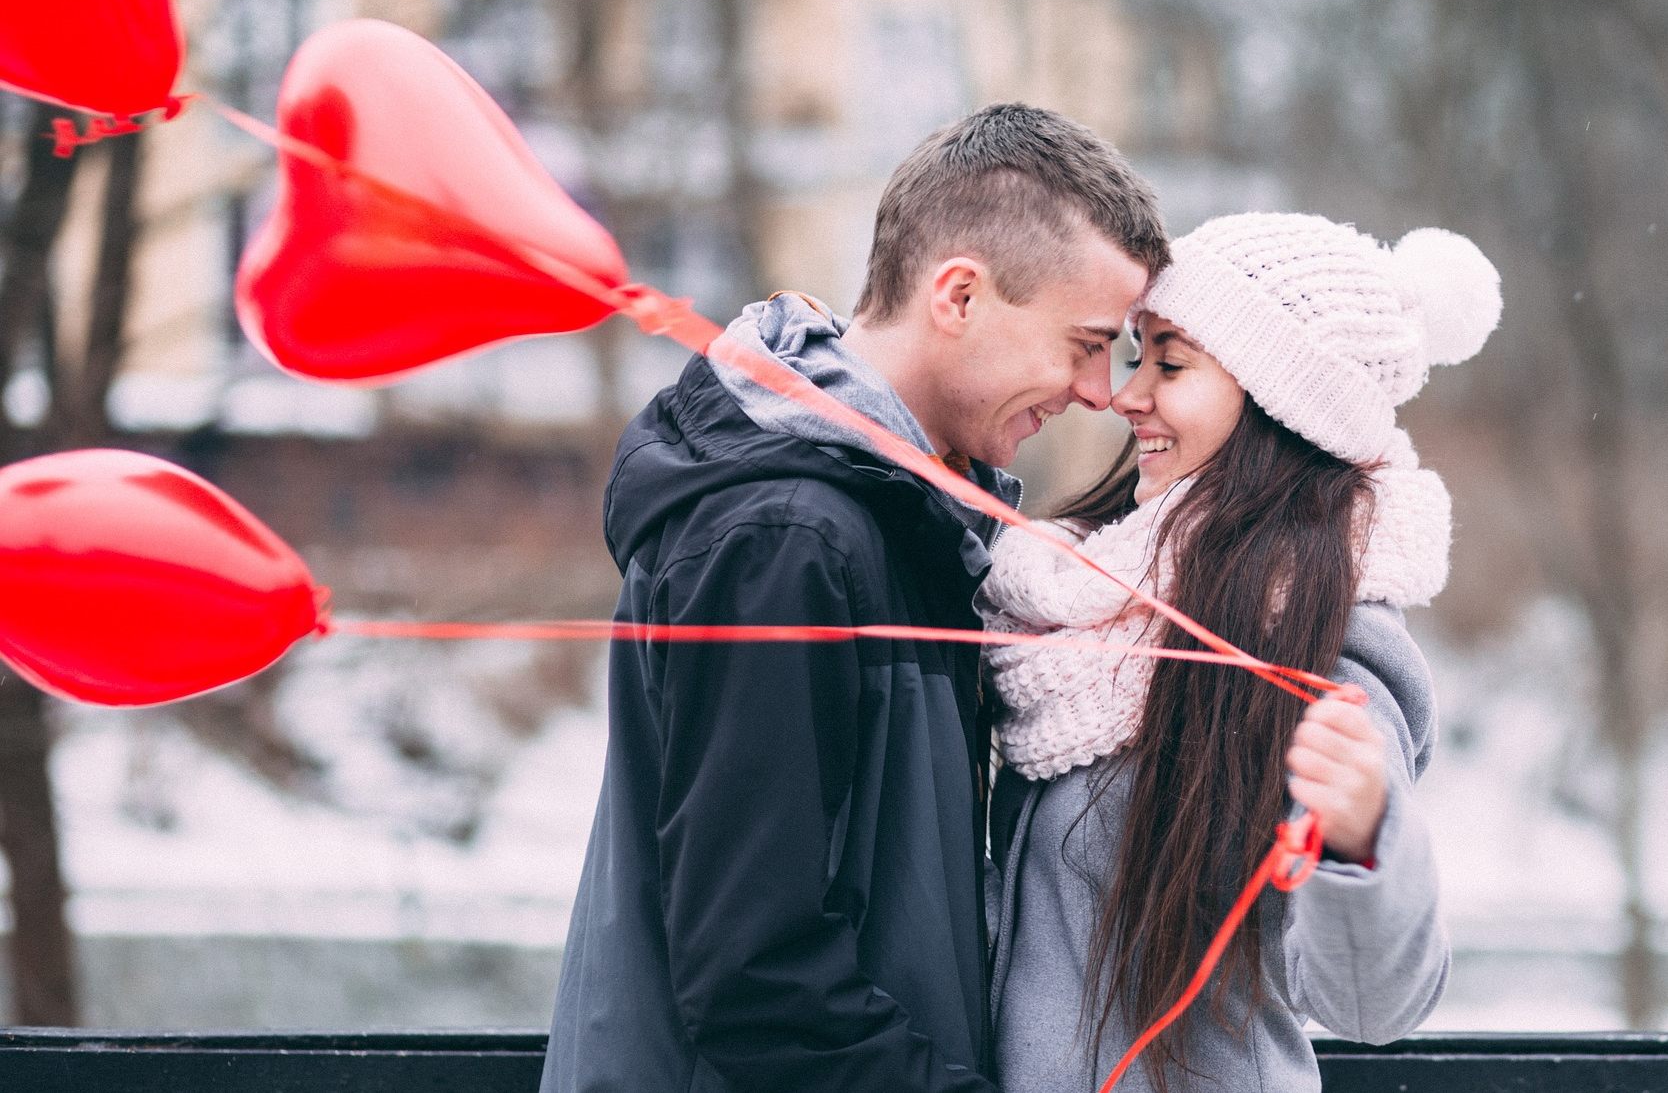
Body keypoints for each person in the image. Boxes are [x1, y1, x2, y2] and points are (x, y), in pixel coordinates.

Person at [541, 103, 1170, 1093]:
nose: (1101, 391)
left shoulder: (898, 520)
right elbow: (755, 977)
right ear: (958, 296)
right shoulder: (786, 540)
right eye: (1086, 343)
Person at [978, 212, 1502, 1092]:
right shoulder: (1071, 607)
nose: (1128, 393)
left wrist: (1361, 840)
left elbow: (1375, 1004)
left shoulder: (1324, 643)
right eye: (1136, 353)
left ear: (1279, 402)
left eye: (1170, 363)